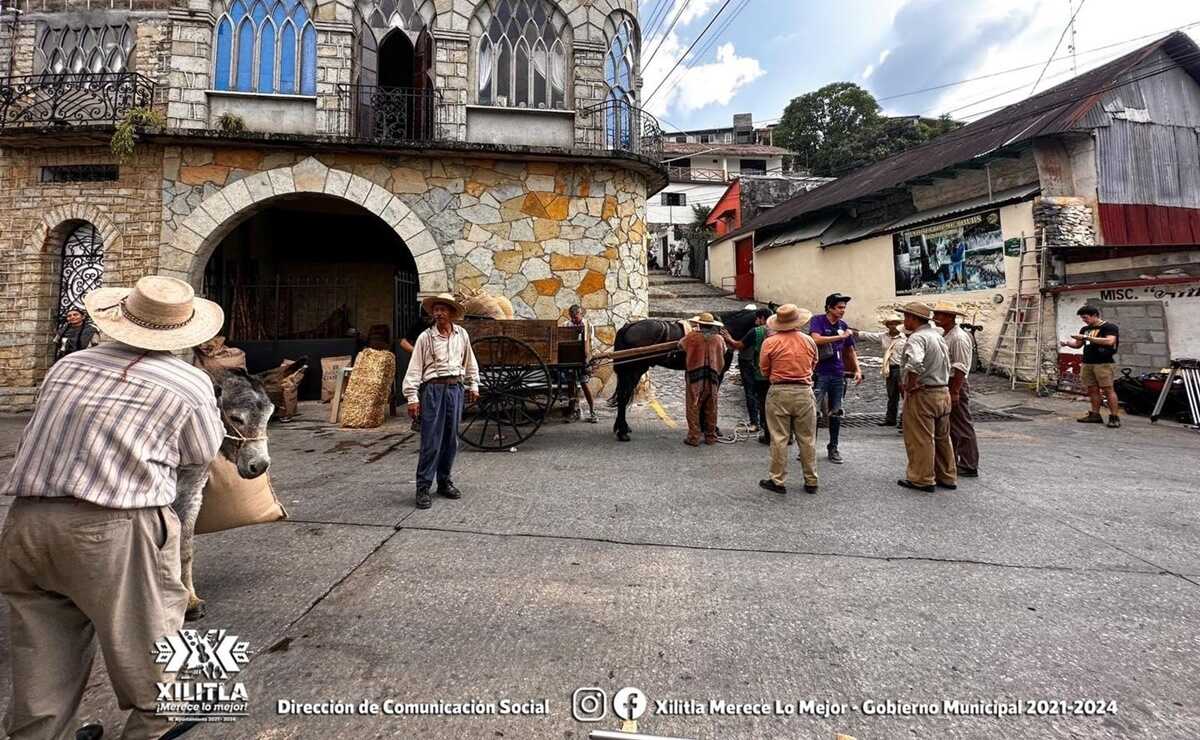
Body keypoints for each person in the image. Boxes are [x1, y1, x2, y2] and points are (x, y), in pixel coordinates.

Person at [0, 275, 226, 740]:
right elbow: (201, 453)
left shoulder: (69, 366)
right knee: (149, 646)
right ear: (183, 330)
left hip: (30, 523)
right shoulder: (188, 383)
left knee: (42, 649)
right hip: (115, 529)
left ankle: (39, 733)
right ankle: (154, 727)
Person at [402, 293, 480, 509]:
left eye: (443, 309)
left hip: (455, 389)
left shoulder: (461, 334)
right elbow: (415, 368)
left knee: (451, 439)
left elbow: (470, 361)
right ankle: (423, 487)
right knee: (431, 440)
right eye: (436, 309)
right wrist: (412, 397)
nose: (438, 313)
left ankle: (444, 482)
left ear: (452, 313)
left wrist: (473, 384)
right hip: (433, 390)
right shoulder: (425, 338)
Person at [757, 304, 819, 495]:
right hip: (804, 391)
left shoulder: (770, 342)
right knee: (807, 438)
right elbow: (814, 363)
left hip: (779, 391)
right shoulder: (809, 341)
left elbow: (764, 369)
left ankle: (778, 480)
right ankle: (811, 480)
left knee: (779, 438)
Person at [896, 301, 957, 493]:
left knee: (920, 438)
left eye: (906, 316)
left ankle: (922, 478)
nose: (904, 320)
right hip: (942, 390)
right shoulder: (938, 336)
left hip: (924, 393)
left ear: (913, 318)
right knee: (942, 437)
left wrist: (910, 385)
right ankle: (946, 476)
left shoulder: (917, 338)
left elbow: (914, 362)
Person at [808, 292, 862, 464]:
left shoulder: (843, 325)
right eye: (839, 307)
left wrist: (857, 369)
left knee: (836, 413)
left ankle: (833, 447)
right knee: (813, 413)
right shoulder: (818, 321)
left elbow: (850, 351)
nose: (842, 310)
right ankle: (809, 448)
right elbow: (815, 339)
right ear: (829, 308)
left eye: (844, 307)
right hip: (820, 373)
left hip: (838, 374)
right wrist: (840, 336)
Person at [934, 302, 979, 477]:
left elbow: (961, 367)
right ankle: (955, 460)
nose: (936, 318)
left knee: (962, 424)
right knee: (952, 424)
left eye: (940, 314)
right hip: (948, 381)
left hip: (955, 382)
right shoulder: (947, 334)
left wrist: (955, 391)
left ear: (950, 317)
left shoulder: (958, 337)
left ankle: (969, 464)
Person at [678, 312, 734, 446]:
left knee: (693, 405)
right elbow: (724, 351)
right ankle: (710, 436)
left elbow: (680, 345)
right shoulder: (719, 339)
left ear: (700, 324)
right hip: (713, 376)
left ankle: (693, 437)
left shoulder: (692, 337)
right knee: (711, 405)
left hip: (695, 376)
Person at [1061, 305, 1121, 428]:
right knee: (1092, 389)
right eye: (1082, 318)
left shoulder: (1109, 327)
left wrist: (1087, 337)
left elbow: (1110, 341)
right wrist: (1067, 343)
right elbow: (1078, 345)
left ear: (1094, 315)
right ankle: (1095, 414)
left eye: (1086, 317)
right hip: (1088, 363)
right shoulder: (1085, 329)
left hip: (1103, 363)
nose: (1084, 320)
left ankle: (1114, 417)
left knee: (1108, 389)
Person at [854, 317, 906, 427]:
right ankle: (890, 419)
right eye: (891, 324)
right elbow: (867, 335)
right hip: (889, 368)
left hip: (902, 368)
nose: (893, 326)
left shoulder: (905, 337)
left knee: (905, 395)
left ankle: (905, 420)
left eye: (896, 323)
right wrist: (852, 332)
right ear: (887, 326)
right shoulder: (883, 336)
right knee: (892, 395)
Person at [727, 308, 771, 433]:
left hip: (754, 366)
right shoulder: (778, 331)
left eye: (758, 318)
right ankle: (766, 424)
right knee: (765, 397)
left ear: (762, 318)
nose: (756, 320)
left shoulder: (756, 331)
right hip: (770, 370)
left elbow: (738, 345)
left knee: (750, 392)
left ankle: (754, 422)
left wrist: (728, 337)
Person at [561, 304, 598, 423]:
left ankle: (593, 412)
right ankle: (572, 412)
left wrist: (589, 360)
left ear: (580, 314)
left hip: (583, 360)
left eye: (576, 317)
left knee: (584, 385)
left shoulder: (588, 325)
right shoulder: (566, 325)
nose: (574, 319)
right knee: (571, 386)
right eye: (572, 317)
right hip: (570, 360)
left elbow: (590, 343)